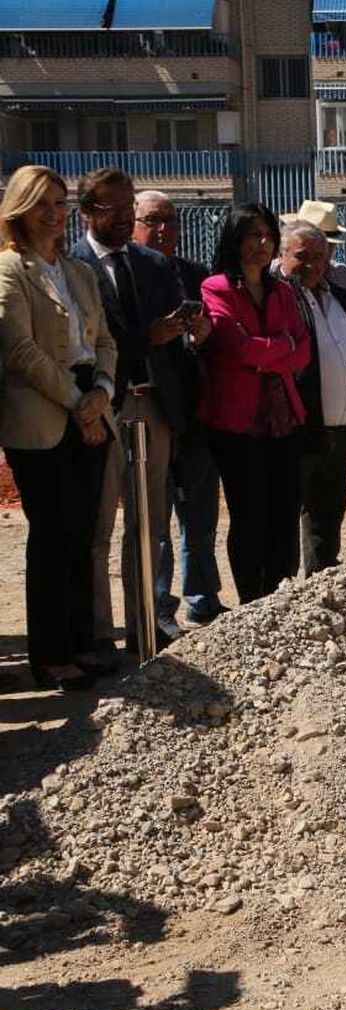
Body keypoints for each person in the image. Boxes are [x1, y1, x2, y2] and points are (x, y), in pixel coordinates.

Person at [71, 168, 208, 655]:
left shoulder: (152, 264)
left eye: (132, 207)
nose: (128, 217)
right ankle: (98, 633)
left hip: (156, 407)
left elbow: (175, 333)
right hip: (104, 406)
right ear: (87, 212)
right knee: (100, 525)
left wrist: (189, 328)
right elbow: (86, 343)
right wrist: (146, 337)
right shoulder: (75, 267)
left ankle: (143, 628)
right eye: (116, 208)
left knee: (149, 527)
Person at [0, 165, 118, 691]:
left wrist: (100, 394)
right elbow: (20, 351)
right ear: (20, 208)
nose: (54, 212)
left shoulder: (78, 272)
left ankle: (81, 643)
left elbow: (106, 342)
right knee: (52, 535)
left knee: (83, 535)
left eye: (59, 201)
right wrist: (75, 402)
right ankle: (49, 654)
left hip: (90, 405)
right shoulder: (9, 270)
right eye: (42, 202)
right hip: (43, 414)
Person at [199, 203, 311, 602]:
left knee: (284, 515)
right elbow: (237, 348)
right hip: (237, 422)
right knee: (249, 517)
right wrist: (281, 347)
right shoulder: (216, 287)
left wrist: (270, 352)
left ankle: (279, 600)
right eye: (252, 235)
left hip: (283, 419)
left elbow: (304, 352)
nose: (262, 243)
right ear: (235, 239)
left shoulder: (283, 290)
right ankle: (252, 603)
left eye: (268, 235)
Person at [134, 189, 227, 629]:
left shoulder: (194, 275)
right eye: (153, 219)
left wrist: (202, 331)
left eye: (170, 219)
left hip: (197, 408)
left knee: (201, 515)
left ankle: (203, 596)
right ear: (135, 224)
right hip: (150, 410)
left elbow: (212, 345)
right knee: (157, 522)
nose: (164, 228)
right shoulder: (127, 276)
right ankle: (159, 606)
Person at [274, 220, 346, 574]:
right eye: (302, 256)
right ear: (282, 255)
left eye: (319, 256)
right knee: (286, 516)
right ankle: (285, 596)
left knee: (328, 516)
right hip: (301, 428)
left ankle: (321, 586)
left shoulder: (339, 296)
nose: (312, 264)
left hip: (341, 430)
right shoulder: (279, 299)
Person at [278, 199, 346, 320]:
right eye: (303, 254)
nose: (311, 263)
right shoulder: (272, 279)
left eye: (326, 248)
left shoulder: (343, 276)